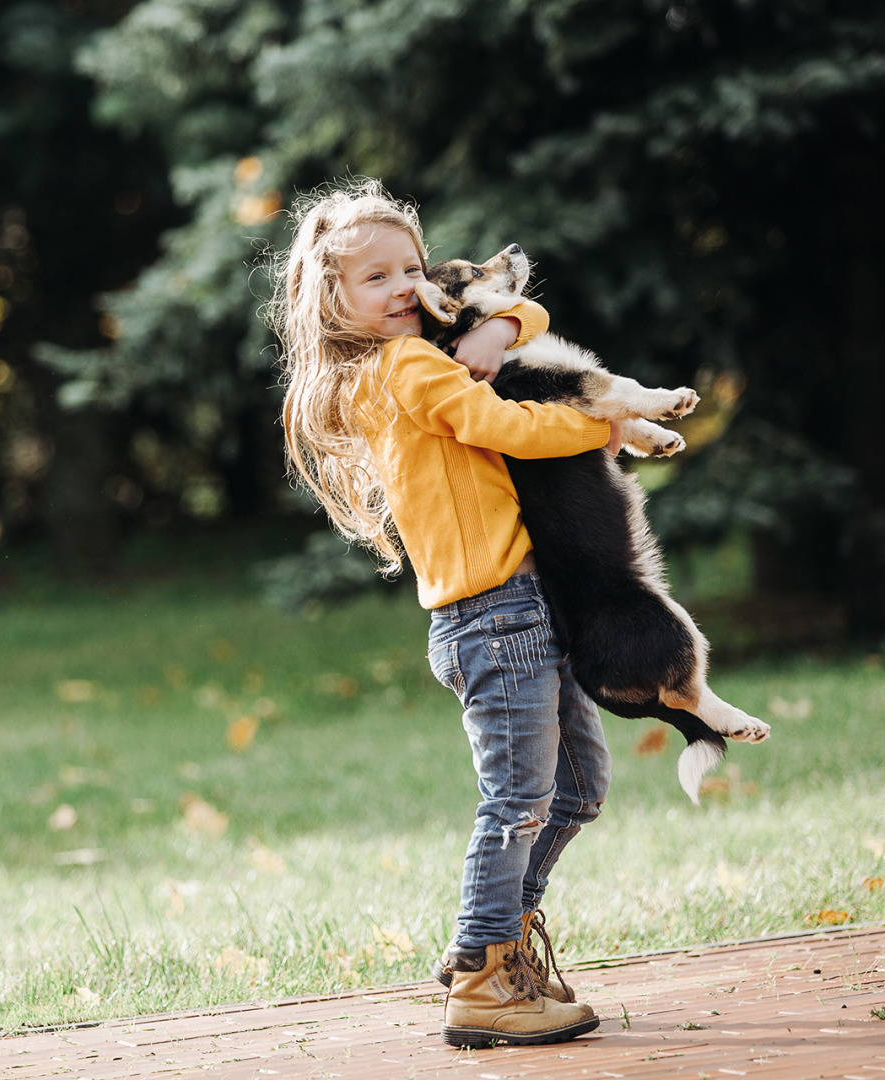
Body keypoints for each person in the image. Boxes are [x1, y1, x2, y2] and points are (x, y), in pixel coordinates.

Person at [270, 180, 620, 1048]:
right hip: (496, 616)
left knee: (576, 790)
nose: (402, 288)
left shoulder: (405, 357)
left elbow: (517, 314)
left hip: (518, 611)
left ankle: (489, 943)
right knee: (519, 804)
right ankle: (484, 978)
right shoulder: (408, 365)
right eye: (376, 278)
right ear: (335, 301)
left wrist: (500, 326)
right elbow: (505, 424)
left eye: (413, 269)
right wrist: (599, 419)